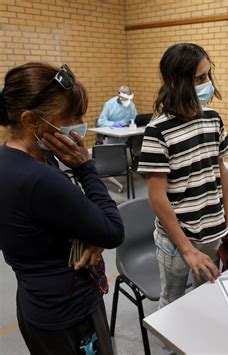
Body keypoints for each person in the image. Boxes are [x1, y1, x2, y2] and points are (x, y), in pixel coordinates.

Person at [0, 62, 124, 354]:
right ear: (31, 120)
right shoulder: (40, 178)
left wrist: (88, 231)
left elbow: (53, 217)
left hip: (35, 302)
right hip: (70, 313)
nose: (78, 123)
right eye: (71, 116)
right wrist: (85, 168)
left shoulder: (20, 160)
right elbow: (114, 231)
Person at [138, 43, 228, 308]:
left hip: (212, 233)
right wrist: (186, 249)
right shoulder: (158, 131)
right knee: (173, 303)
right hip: (178, 241)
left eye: (208, 75)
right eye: (199, 78)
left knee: (207, 295)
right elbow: (157, 198)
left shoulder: (213, 120)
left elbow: (221, 171)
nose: (207, 83)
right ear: (175, 82)